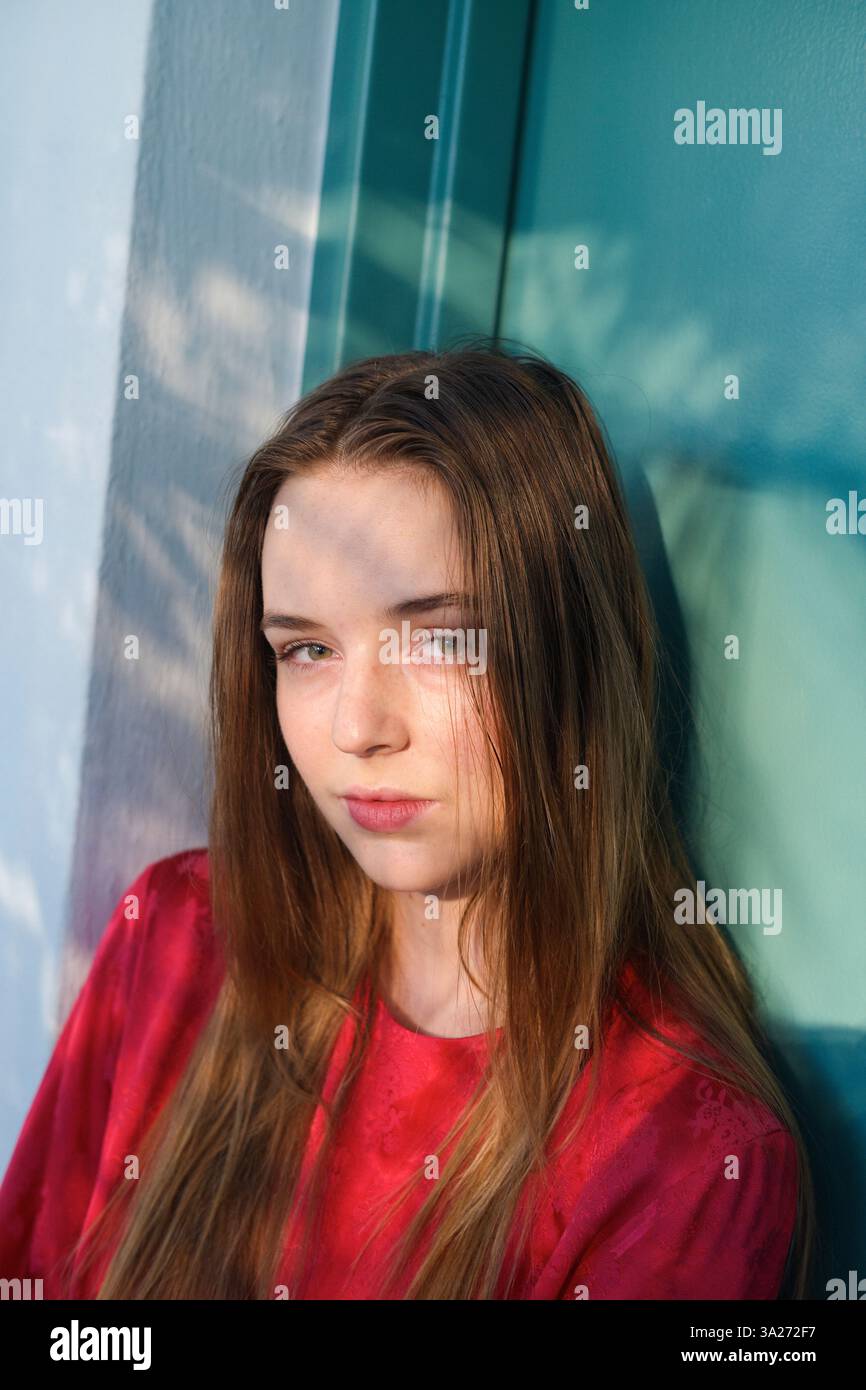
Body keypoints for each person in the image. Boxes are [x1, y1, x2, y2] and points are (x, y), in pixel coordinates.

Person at [0, 342, 813, 1299]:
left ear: (573, 657)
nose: (356, 728)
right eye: (306, 649)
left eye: (440, 639)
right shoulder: (178, 936)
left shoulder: (685, 1158)